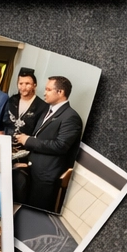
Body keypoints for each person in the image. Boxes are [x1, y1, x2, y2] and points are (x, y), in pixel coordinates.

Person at [13, 75, 84, 210]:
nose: (44, 93)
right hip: (33, 171)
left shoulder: (71, 117)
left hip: (46, 178)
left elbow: (60, 146)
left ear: (60, 92)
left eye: (48, 89)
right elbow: (41, 137)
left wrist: (28, 140)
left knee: (35, 216)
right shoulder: (47, 111)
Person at [5, 68, 48, 139]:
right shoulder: (11, 100)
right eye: (20, 83)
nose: (23, 87)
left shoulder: (42, 107)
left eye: (27, 84)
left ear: (34, 85)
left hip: (25, 148)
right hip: (6, 142)